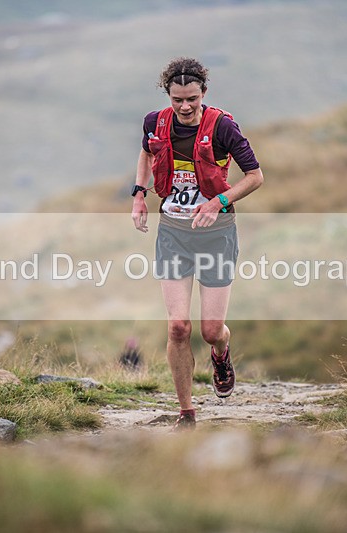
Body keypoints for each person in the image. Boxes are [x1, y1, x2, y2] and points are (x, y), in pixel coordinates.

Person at [131, 57, 264, 431]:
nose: (185, 106)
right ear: (168, 96)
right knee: (177, 327)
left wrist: (218, 201)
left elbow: (254, 177)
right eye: (177, 100)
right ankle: (186, 413)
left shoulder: (223, 127)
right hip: (173, 232)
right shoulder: (154, 123)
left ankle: (220, 354)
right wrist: (139, 194)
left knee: (209, 330)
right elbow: (146, 151)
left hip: (217, 233)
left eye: (192, 98)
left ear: (204, 93)